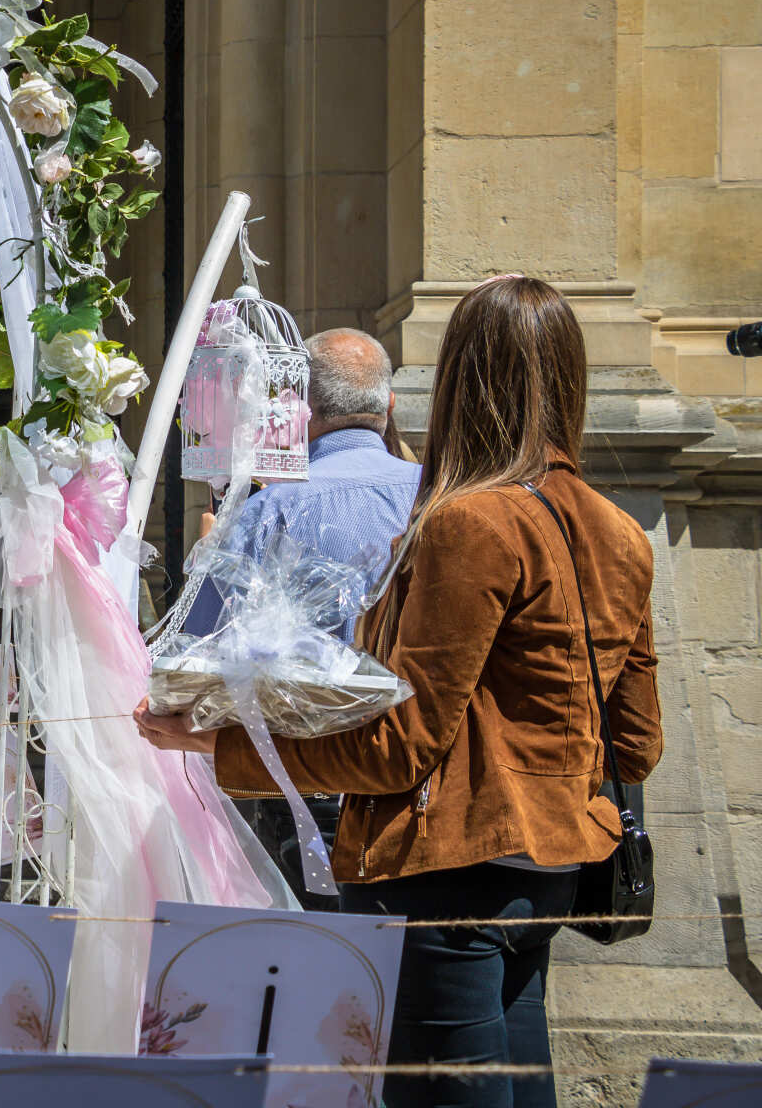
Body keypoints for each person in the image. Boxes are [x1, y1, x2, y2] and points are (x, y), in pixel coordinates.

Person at [137, 277, 664, 1108]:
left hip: (445, 869)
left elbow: (399, 748)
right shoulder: (616, 528)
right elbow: (634, 743)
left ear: (459, 379)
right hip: (552, 860)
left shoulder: (469, 522)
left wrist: (213, 743)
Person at [178, 328, 422, 908]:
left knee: (320, 977)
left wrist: (207, 558)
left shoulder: (268, 511)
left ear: (297, 410)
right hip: (421, 776)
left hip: (304, 785)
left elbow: (200, 653)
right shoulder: (440, 495)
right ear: (388, 406)